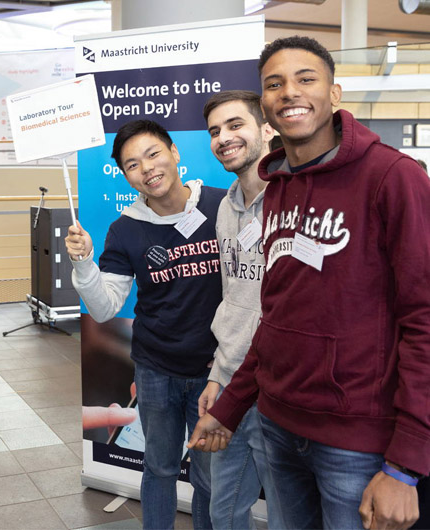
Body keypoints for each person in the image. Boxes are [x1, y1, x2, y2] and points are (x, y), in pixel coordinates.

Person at [189, 36, 430, 530]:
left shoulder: (394, 178)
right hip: (278, 428)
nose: (289, 92)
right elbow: (276, 317)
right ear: (267, 107)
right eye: (274, 84)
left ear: (335, 93)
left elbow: (424, 322)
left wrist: (406, 465)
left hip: (355, 442)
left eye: (305, 79)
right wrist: (231, 404)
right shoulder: (278, 191)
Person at [66, 119, 226, 530]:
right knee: (159, 469)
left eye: (153, 153)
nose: (147, 168)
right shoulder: (125, 229)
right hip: (156, 372)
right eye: (133, 164)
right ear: (125, 175)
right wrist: (84, 263)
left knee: (211, 477)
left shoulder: (224, 206)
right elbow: (104, 309)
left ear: (174, 152)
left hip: (216, 374)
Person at [199, 90, 274, 529]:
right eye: (214, 131)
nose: (223, 137)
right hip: (229, 385)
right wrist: (216, 373)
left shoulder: (296, 201)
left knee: (288, 512)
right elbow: (232, 297)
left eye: (235, 125)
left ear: (267, 129)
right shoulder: (226, 209)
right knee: (223, 512)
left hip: (274, 389)